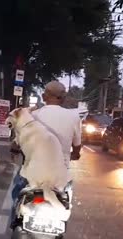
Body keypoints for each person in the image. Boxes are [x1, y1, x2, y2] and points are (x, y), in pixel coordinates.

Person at [10, 81, 82, 223]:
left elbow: (17, 142)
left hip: (33, 173)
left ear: (44, 96)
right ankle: (59, 233)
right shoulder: (74, 117)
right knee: (65, 202)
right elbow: (77, 146)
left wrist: (14, 149)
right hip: (59, 176)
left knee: (16, 192)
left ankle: (15, 221)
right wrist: (75, 154)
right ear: (64, 98)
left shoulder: (33, 116)